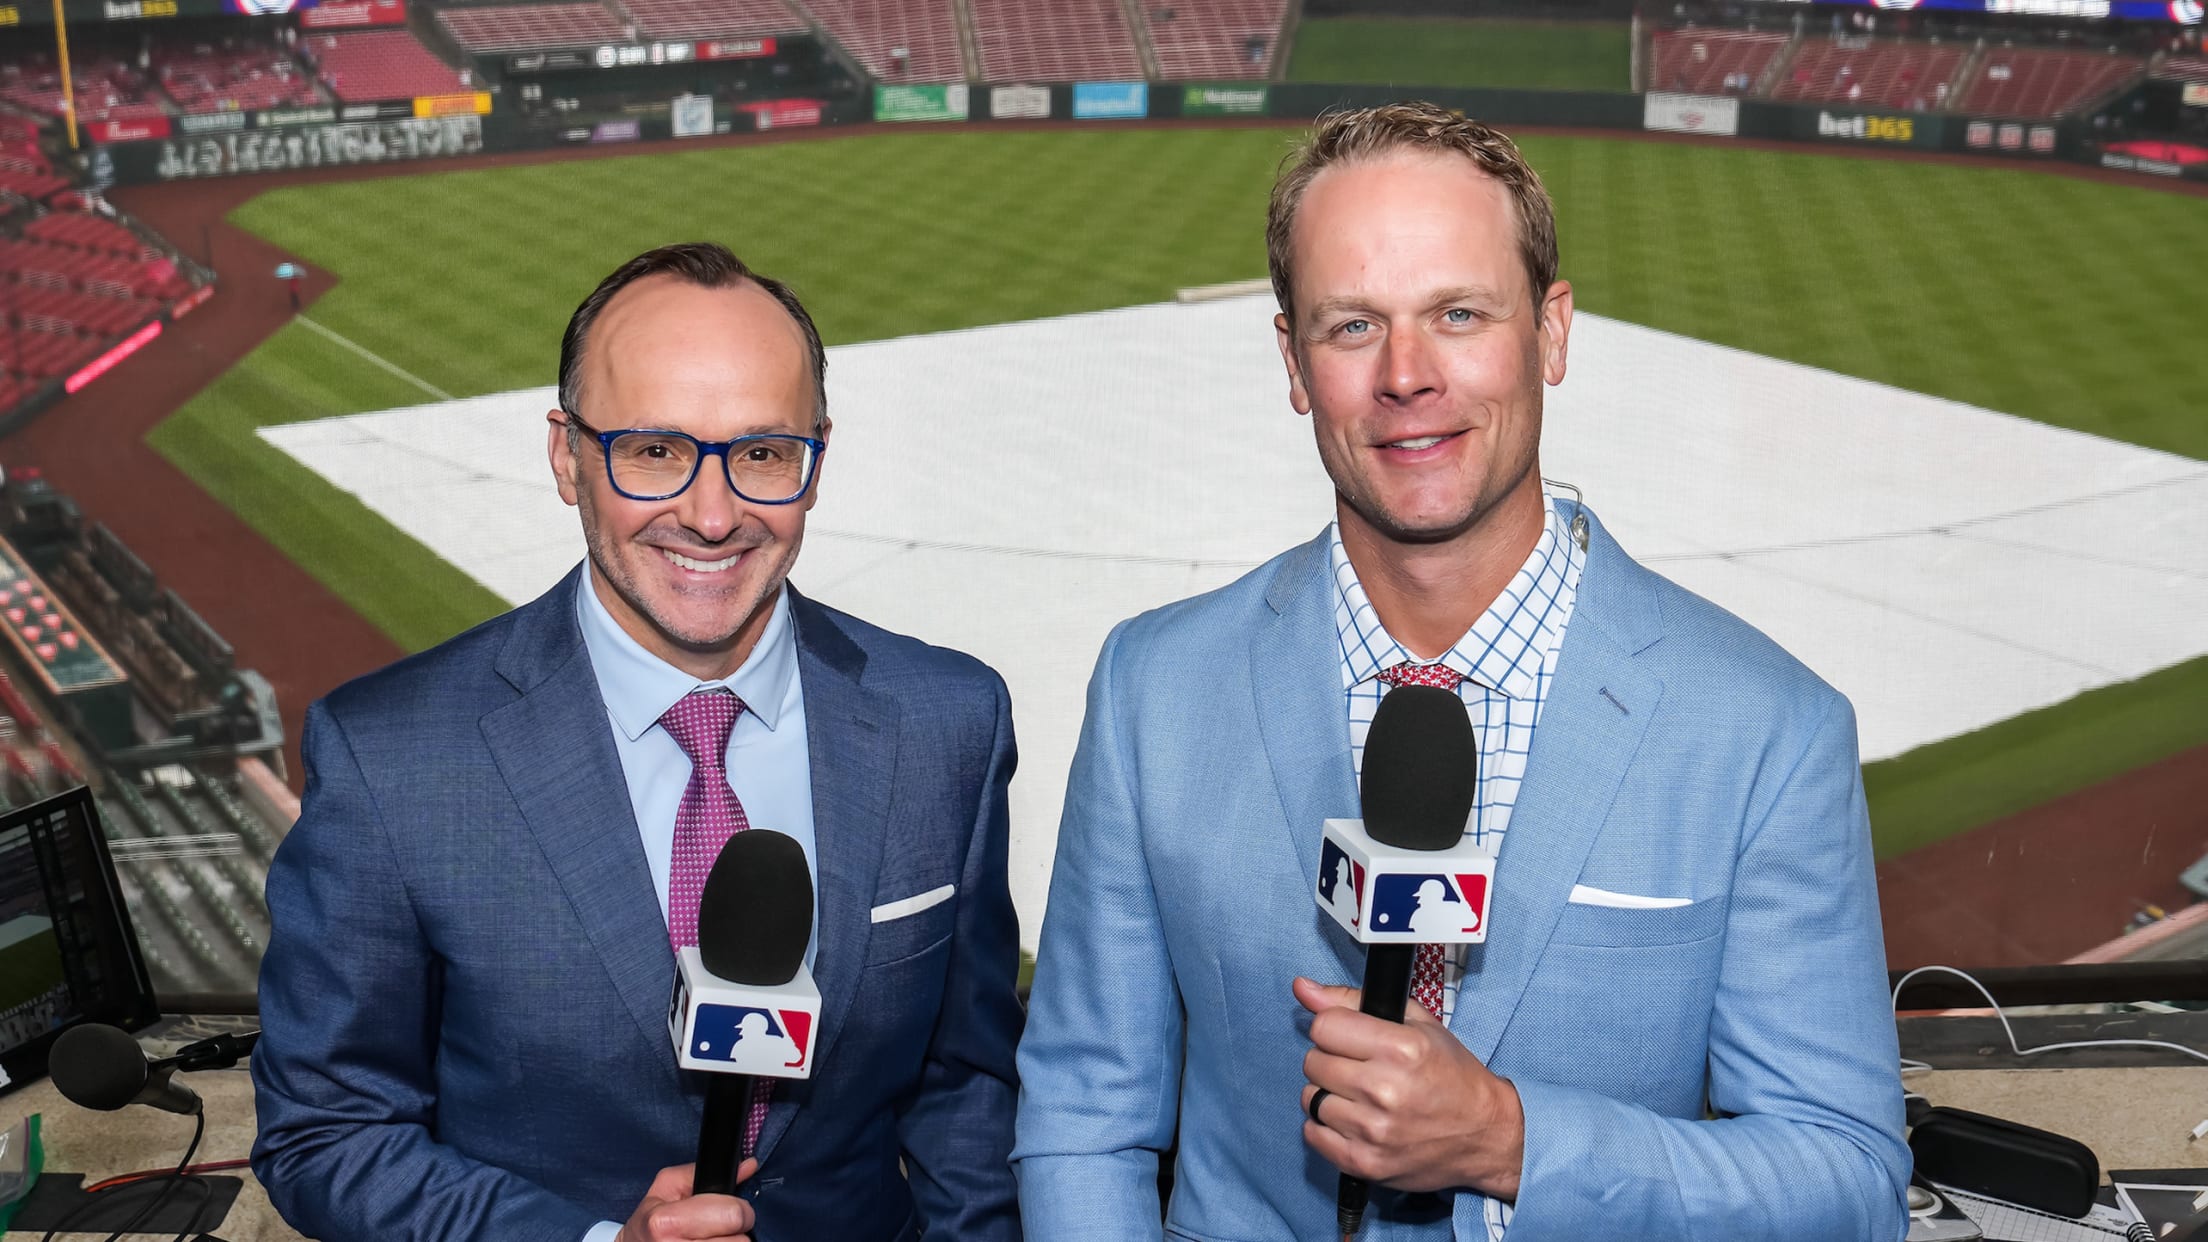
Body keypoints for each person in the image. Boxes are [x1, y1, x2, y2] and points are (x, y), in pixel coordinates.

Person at [1013, 104, 1907, 1241]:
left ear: (1553, 333)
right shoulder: (1156, 688)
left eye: (1458, 314)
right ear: (1294, 362)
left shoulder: (1764, 730)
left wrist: (1509, 1141)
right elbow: (1085, 1113)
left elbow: (1847, 1183)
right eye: (1352, 328)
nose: (1407, 376)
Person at [252, 242, 1024, 1242]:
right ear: (566, 455)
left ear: (815, 460)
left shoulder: (948, 721)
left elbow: (969, 1086)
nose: (712, 515)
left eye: (762, 453)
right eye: (655, 451)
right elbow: (327, 1135)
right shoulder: (393, 755)